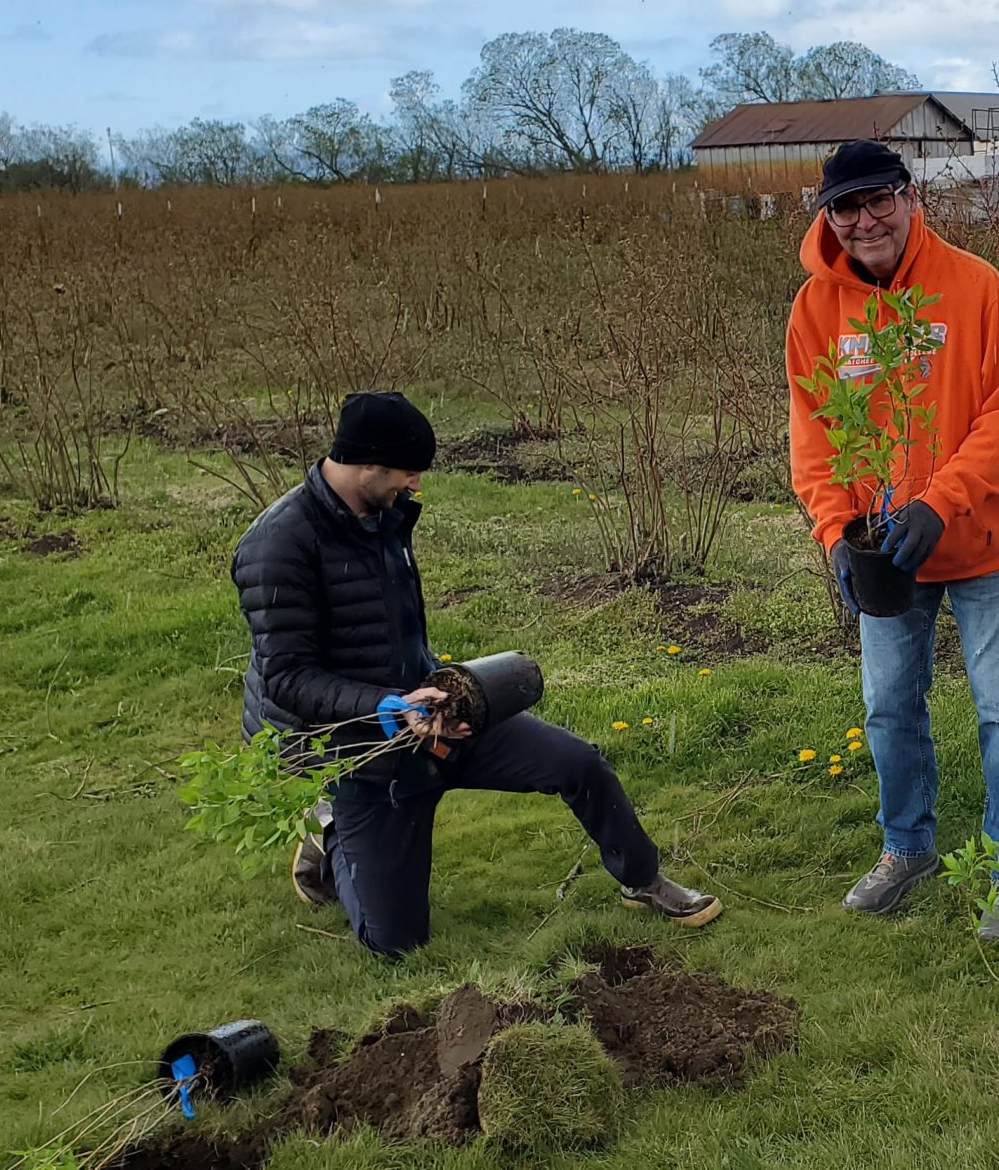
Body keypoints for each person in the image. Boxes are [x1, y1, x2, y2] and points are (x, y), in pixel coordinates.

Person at [236, 392, 720, 957]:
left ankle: (644, 880)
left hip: (430, 711)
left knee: (579, 763)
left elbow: (389, 632)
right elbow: (287, 679)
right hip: (359, 742)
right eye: (408, 473)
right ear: (368, 463)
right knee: (396, 943)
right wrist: (387, 707)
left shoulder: (382, 514)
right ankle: (331, 831)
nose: (415, 487)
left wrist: (437, 699)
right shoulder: (277, 546)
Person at [784, 141, 999, 934]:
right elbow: (816, 434)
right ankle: (908, 846)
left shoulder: (975, 287)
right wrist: (836, 531)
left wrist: (942, 501)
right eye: (846, 207)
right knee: (889, 706)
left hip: (985, 545)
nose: (864, 220)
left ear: (907, 197)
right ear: (827, 217)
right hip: (883, 554)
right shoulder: (815, 311)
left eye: (878, 200)